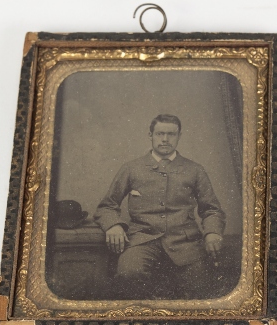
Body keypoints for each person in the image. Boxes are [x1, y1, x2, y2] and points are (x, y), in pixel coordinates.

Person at [95, 114, 227, 299]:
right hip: (142, 241)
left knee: (201, 286)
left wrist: (213, 232)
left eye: (171, 134)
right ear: (150, 135)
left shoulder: (195, 170)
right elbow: (106, 206)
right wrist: (113, 225)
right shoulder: (132, 168)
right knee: (129, 274)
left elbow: (212, 209)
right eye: (160, 134)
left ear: (179, 136)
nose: (165, 139)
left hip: (185, 243)